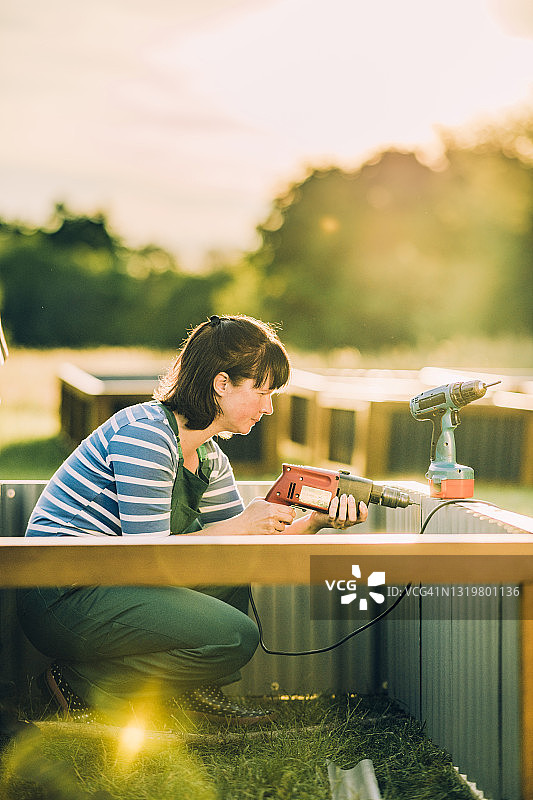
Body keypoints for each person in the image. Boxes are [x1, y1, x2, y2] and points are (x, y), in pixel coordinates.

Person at [17, 315, 368, 726]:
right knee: (236, 636)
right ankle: (76, 684)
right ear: (222, 384)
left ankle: (193, 694)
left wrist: (313, 523)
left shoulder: (208, 455)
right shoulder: (146, 436)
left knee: (233, 568)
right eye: (262, 391)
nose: (269, 407)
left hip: (114, 582)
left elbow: (244, 547)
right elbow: (148, 559)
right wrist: (241, 525)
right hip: (62, 595)